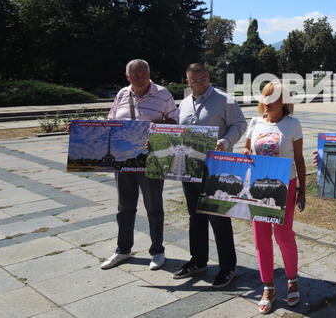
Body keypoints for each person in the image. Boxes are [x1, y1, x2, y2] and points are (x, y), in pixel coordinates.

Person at [173, 63, 246, 288]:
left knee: (219, 217)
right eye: (194, 81)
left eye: (203, 79)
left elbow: (240, 124)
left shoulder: (225, 100)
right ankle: (198, 260)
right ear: (187, 82)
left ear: (209, 76)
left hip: (217, 167)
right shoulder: (184, 103)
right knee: (195, 216)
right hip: (191, 168)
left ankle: (227, 266)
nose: (199, 84)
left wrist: (225, 141)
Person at [101, 59, 178, 271]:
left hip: (152, 158)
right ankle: (123, 250)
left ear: (149, 73)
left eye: (144, 74)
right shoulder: (122, 94)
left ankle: (157, 251)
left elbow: (174, 122)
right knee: (125, 207)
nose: (141, 78)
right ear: (128, 77)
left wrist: (151, 127)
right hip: (124, 158)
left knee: (154, 207)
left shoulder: (163, 94)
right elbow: (111, 121)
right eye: (135, 76)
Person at [242, 82, 307, 314]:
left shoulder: (292, 125)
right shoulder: (255, 121)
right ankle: (268, 286)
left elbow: (299, 159)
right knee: (261, 237)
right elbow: (247, 148)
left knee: (283, 236)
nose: (267, 102)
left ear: (284, 102)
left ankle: (292, 279)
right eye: (265, 97)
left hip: (284, 186)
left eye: (273, 98)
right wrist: (247, 152)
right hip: (258, 186)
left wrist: (302, 189)